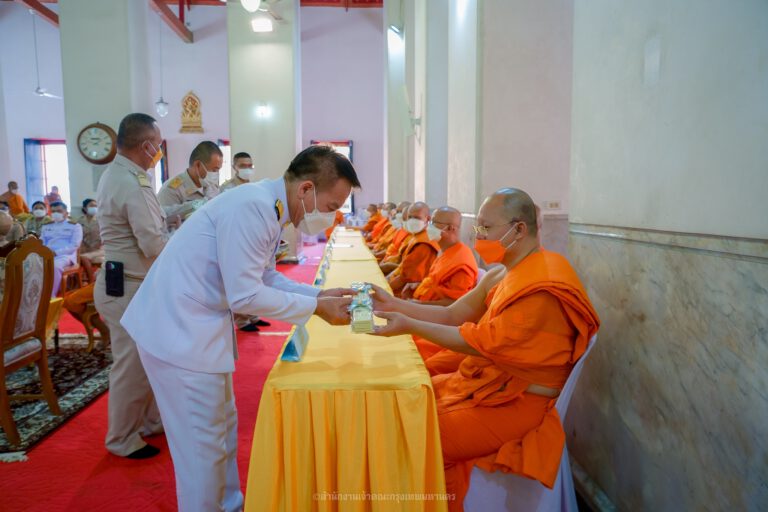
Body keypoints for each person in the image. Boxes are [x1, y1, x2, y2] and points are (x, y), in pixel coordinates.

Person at [121, 145, 361, 511]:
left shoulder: (268, 207)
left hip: (197, 330)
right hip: (178, 333)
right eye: (331, 207)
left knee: (221, 435)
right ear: (306, 189)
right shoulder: (253, 207)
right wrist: (316, 308)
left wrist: (318, 293)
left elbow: (264, 278)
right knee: (202, 449)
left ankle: (230, 506)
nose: (330, 217)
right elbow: (246, 296)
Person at [369, 188, 600, 511]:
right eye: (477, 227)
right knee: (407, 398)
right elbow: (454, 314)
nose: (478, 236)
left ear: (519, 229)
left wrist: (408, 325)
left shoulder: (543, 285)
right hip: (489, 383)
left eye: (486, 228)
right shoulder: (501, 273)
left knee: (419, 434)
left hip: (520, 403)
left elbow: (479, 343)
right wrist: (395, 304)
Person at [95, 112, 175, 460]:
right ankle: (122, 438)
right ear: (146, 145)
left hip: (125, 281)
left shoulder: (116, 173)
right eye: (157, 145)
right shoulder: (133, 181)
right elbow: (153, 244)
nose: (158, 151)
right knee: (131, 365)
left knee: (148, 359)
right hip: (128, 286)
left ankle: (147, 422)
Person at [384, 201, 440, 296]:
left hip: (406, 293)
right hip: (398, 281)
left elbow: (406, 278)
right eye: (410, 217)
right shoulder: (417, 236)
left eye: (416, 218)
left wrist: (385, 290)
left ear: (428, 219)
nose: (412, 221)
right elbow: (403, 267)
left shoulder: (424, 243)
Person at [157, 140, 222, 212]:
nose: (216, 174)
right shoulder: (171, 190)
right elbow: (164, 219)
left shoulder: (212, 187)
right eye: (214, 170)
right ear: (198, 165)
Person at [40, 201, 83, 297]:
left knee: (55, 266)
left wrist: (55, 253)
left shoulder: (75, 226)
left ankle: (51, 296)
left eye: (59, 211)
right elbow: (41, 242)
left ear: (66, 213)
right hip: (46, 254)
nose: (56, 213)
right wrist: (43, 252)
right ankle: (36, 294)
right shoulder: (46, 226)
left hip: (65, 256)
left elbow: (74, 245)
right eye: (53, 211)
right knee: (31, 264)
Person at [77, 198, 104, 283]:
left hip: (99, 249)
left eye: (96, 206)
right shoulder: (79, 221)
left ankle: (91, 280)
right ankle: (80, 281)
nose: (94, 208)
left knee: (83, 257)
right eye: (91, 206)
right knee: (76, 257)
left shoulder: (101, 220)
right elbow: (78, 237)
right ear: (85, 208)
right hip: (84, 248)